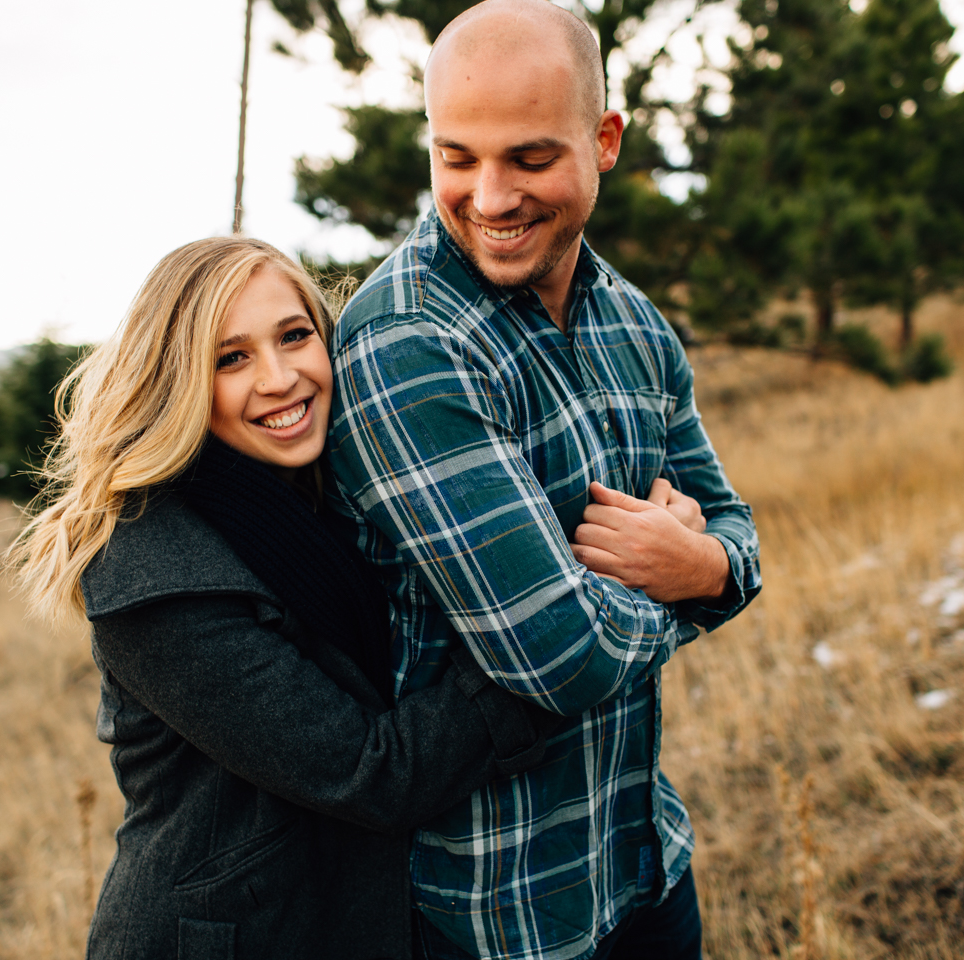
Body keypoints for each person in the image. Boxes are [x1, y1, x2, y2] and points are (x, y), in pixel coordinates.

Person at [326, 1, 763, 958]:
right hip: (489, 911)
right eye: (456, 158)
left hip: (644, 862)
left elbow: (733, 525)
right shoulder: (408, 340)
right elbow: (555, 659)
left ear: (603, 140)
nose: (489, 197)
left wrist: (705, 564)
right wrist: (690, 576)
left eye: (528, 159)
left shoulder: (636, 324)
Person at [7, 237, 569, 960]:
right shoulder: (155, 573)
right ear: (178, 382)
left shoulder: (326, 497)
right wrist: (553, 635)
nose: (279, 378)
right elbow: (373, 772)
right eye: (230, 358)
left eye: (295, 336)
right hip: (230, 937)